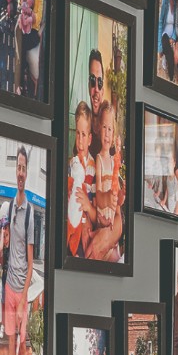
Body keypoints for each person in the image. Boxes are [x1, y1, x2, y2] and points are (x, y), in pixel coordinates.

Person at [0, 142, 39, 355]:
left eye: (25, 168)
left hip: (21, 291)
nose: (21, 172)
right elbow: (6, 246)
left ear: (28, 171)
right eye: (19, 167)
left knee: (23, 347)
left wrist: (25, 292)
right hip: (9, 289)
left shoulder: (31, 214)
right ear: (15, 172)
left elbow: (30, 259)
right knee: (9, 343)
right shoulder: (9, 208)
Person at [87, 96, 122, 264]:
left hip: (112, 224)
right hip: (102, 219)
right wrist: (108, 198)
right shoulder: (99, 160)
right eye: (104, 128)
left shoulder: (114, 161)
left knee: (114, 258)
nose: (107, 133)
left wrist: (118, 199)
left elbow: (117, 200)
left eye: (110, 129)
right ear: (98, 129)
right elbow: (99, 194)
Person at [64, 97, 91, 259]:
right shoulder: (70, 163)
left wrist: (88, 205)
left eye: (83, 134)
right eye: (77, 134)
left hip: (85, 231)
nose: (80, 141)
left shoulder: (94, 167)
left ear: (89, 138)